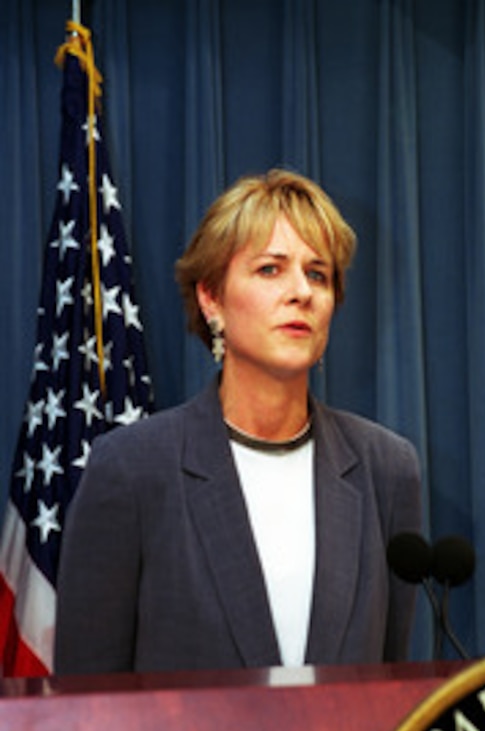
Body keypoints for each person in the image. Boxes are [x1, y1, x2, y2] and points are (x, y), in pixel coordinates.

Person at [54, 168, 422, 675]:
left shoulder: (387, 468)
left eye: (318, 274)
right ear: (211, 299)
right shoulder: (132, 468)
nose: (302, 292)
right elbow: (87, 701)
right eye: (271, 269)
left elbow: (386, 679)